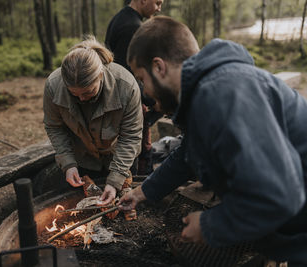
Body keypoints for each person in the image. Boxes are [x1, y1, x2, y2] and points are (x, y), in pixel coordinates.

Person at [118, 16, 307, 266]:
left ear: (159, 67)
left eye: (142, 79)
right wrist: (142, 192)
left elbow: (279, 195)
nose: (146, 93)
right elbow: (188, 155)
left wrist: (209, 226)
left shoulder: (223, 92)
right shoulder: (206, 94)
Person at [43, 36, 143, 205]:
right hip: (83, 159)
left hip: (120, 157)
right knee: (87, 211)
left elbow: (131, 136)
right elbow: (54, 127)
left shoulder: (126, 86)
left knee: (123, 210)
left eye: (88, 92)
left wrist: (116, 178)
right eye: (74, 94)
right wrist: (68, 163)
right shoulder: (53, 86)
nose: (81, 99)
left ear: (101, 75)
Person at [105, 0, 164, 175]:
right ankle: (139, 190)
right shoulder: (132, 27)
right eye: (157, 2)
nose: (159, 8)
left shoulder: (122, 18)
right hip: (129, 100)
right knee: (139, 152)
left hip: (123, 97)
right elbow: (127, 73)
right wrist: (152, 100)